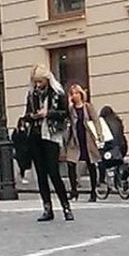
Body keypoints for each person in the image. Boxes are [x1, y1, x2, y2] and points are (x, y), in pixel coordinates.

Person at [23, 64, 73, 221]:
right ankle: (47, 208)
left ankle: (66, 207)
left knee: (54, 172)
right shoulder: (32, 95)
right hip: (36, 136)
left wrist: (48, 113)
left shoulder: (57, 93)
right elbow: (26, 115)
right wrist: (33, 116)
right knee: (41, 174)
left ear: (47, 79)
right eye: (35, 82)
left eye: (40, 82)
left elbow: (65, 114)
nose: (38, 85)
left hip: (51, 136)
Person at [66, 84, 103, 202]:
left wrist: (99, 134)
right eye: (72, 94)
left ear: (81, 94)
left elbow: (96, 120)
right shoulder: (71, 109)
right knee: (71, 164)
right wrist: (68, 105)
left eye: (77, 93)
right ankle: (73, 191)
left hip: (87, 140)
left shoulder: (87, 107)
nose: (75, 96)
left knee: (91, 164)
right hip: (75, 140)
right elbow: (67, 120)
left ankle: (93, 192)